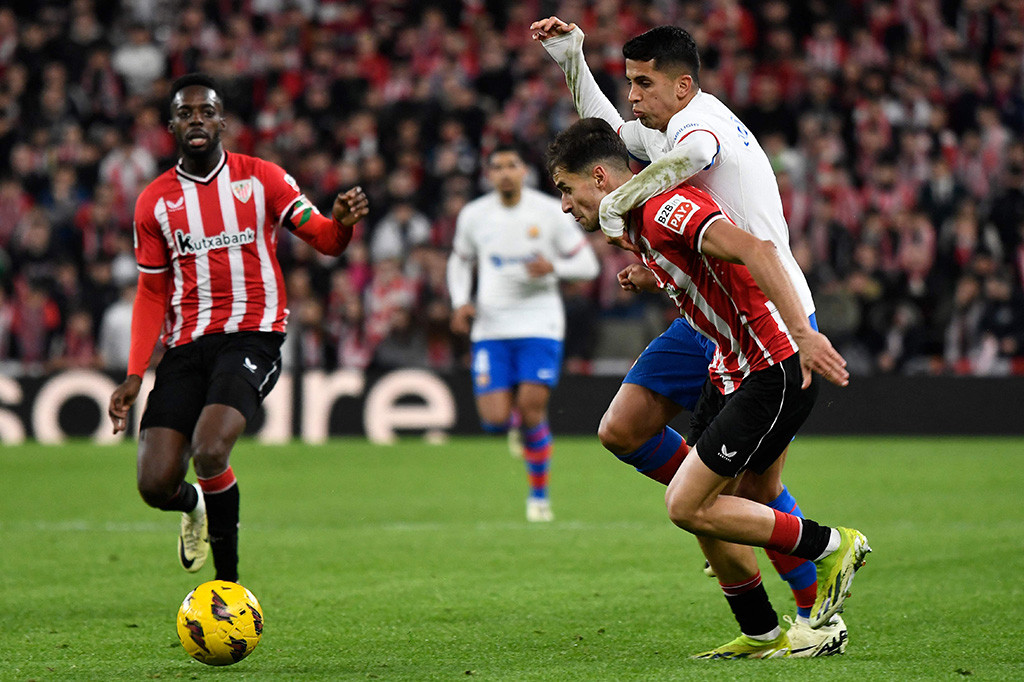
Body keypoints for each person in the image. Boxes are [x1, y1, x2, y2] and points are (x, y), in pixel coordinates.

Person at [532, 19, 845, 656]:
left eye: (644, 83)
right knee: (625, 431)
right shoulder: (668, 130)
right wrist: (572, 58)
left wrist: (625, 208)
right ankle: (719, 526)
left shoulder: (698, 126)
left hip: (771, 314)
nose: (633, 95)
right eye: (630, 82)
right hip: (709, 316)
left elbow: (679, 168)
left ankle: (811, 611)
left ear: (683, 86)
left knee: (752, 493)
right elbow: (607, 146)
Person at [107, 74, 368, 583]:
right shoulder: (154, 203)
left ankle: (227, 588)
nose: (197, 120)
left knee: (209, 448)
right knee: (155, 484)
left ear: (223, 121)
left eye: (207, 111)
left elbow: (326, 241)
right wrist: (135, 373)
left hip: (253, 334)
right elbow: (151, 293)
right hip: (186, 345)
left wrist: (341, 223)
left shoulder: (262, 178)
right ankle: (194, 508)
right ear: (171, 127)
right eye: (186, 113)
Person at [446, 145, 599, 522]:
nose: (505, 173)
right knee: (494, 421)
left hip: (539, 323)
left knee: (532, 409)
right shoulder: (475, 215)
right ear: (489, 175)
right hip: (491, 326)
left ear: (525, 172)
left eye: (512, 165)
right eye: (497, 167)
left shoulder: (548, 213)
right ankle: (512, 425)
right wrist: (459, 302)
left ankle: (539, 496)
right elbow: (460, 261)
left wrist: (555, 268)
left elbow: (587, 265)